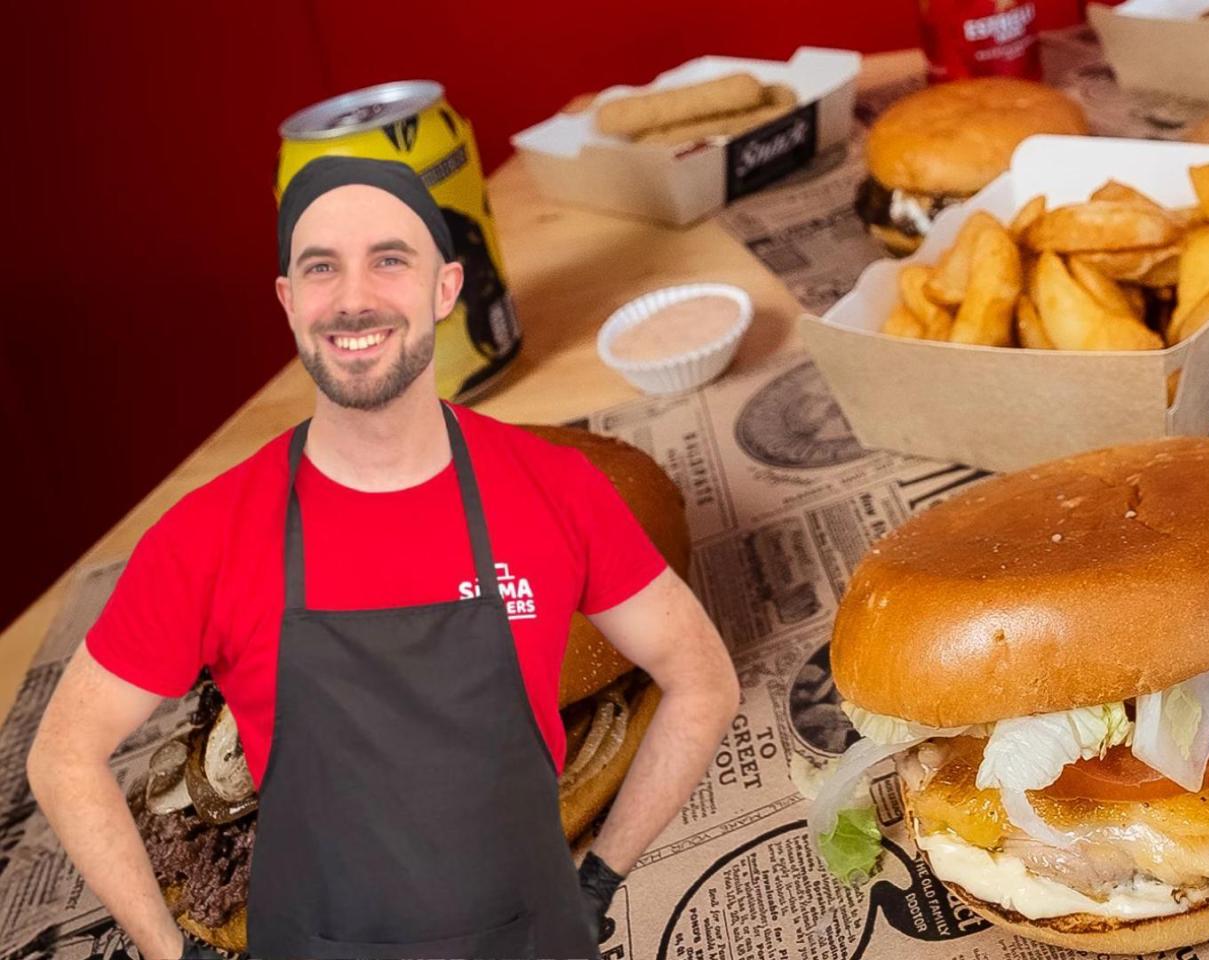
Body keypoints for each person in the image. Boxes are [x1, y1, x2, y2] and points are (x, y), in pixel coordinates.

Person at [26, 157, 741, 959]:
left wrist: (596, 884)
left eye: (389, 260)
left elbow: (703, 679)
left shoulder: (559, 489)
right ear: (288, 301)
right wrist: (175, 952)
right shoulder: (205, 536)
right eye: (321, 267)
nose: (354, 297)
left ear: (446, 287)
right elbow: (62, 757)